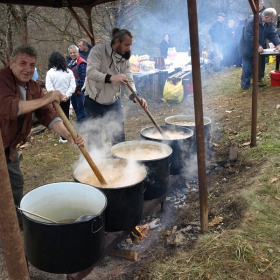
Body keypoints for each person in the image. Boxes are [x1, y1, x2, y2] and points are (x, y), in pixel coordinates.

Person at [0, 45, 85, 228]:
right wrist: (48, 97)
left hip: (9, 148)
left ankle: (15, 223)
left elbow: (48, 115)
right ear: (11, 62)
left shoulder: (31, 87)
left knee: (15, 184)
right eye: (23, 63)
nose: (28, 69)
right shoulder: (2, 79)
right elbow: (11, 109)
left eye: (32, 65)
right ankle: (6, 233)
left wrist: (69, 135)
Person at [84, 27, 148, 149]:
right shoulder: (98, 51)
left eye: (130, 45)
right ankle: (96, 163)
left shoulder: (124, 57)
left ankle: (120, 162)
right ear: (117, 41)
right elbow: (90, 72)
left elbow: (128, 79)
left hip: (113, 100)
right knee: (95, 135)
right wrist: (111, 77)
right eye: (127, 44)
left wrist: (136, 97)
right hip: (93, 99)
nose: (129, 48)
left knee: (118, 135)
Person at [239, 8, 280, 89]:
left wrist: (278, 44)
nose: (272, 20)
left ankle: (258, 81)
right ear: (266, 17)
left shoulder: (269, 23)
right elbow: (248, 36)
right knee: (248, 66)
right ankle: (245, 85)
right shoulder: (252, 21)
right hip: (247, 48)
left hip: (259, 47)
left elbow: (272, 34)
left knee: (260, 65)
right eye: (271, 19)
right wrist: (257, 46)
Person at [45, 51, 76, 143]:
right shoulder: (69, 71)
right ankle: (66, 134)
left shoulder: (50, 73)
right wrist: (66, 95)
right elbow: (72, 86)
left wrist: (58, 96)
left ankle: (64, 136)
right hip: (65, 98)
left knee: (59, 117)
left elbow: (49, 87)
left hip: (56, 99)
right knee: (65, 115)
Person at [68, 45, 87, 123]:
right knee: (76, 108)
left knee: (81, 108)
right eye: (71, 53)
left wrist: (80, 89)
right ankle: (79, 123)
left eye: (74, 52)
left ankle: (84, 125)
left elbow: (83, 77)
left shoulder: (82, 63)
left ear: (78, 52)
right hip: (73, 90)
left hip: (80, 91)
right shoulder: (70, 63)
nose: (72, 54)